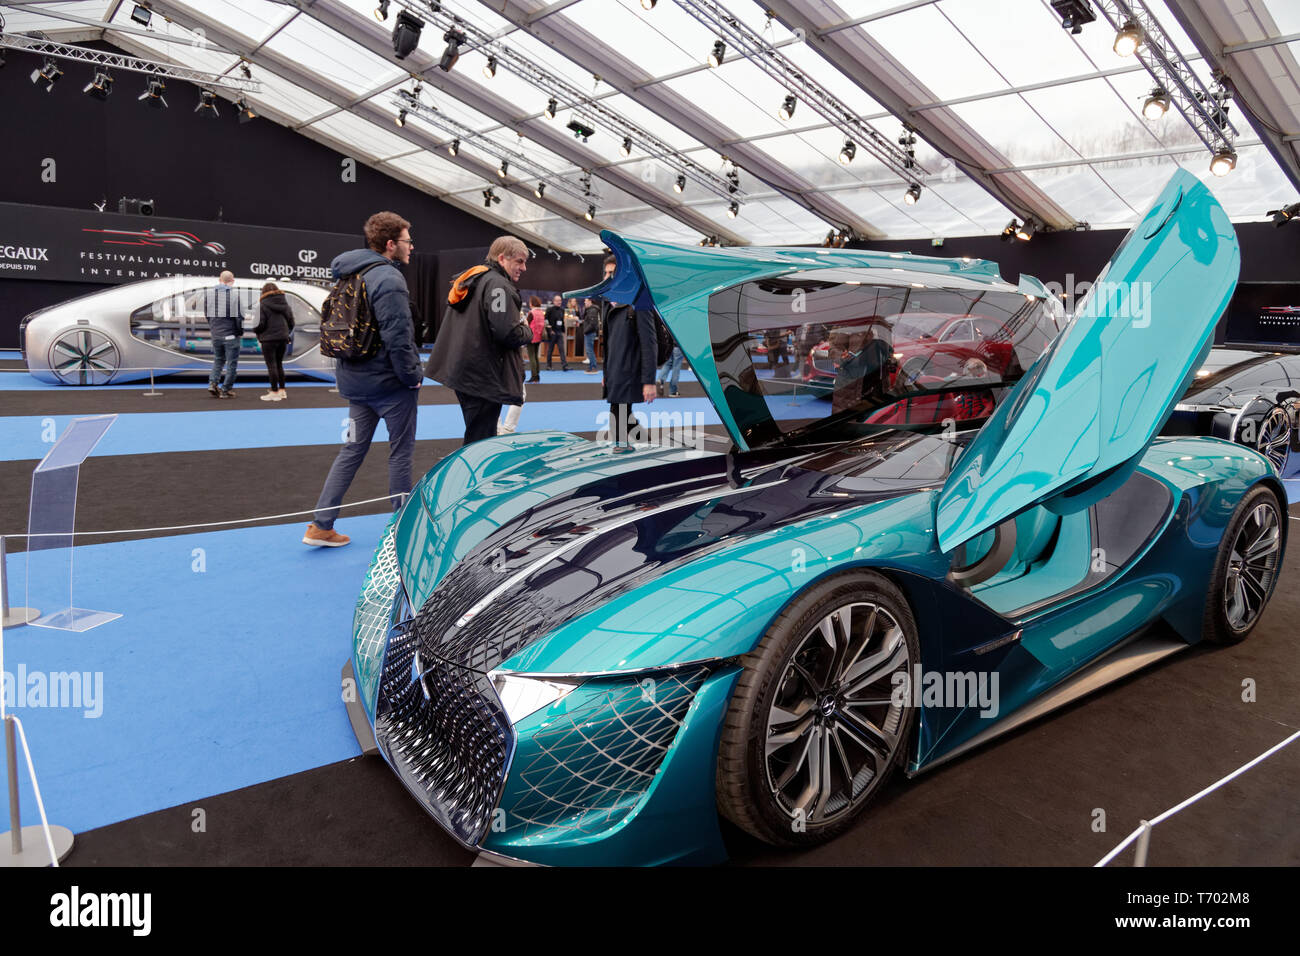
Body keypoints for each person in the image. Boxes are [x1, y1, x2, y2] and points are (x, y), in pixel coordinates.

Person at [303, 211, 423, 548]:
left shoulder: (347, 273)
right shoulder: (388, 278)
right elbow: (399, 338)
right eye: (406, 241)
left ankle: (320, 525)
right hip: (390, 385)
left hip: (355, 383)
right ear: (390, 244)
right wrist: (413, 377)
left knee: (351, 451)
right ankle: (404, 531)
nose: (411, 247)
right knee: (400, 453)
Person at [426, 235, 533, 444]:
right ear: (502, 258)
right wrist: (527, 331)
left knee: (479, 433)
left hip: (468, 372)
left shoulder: (476, 279)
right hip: (481, 376)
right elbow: (507, 332)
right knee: (480, 440)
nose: (524, 267)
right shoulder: (498, 285)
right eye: (519, 261)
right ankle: (475, 476)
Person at [600, 254, 657, 452]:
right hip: (615, 371)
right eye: (606, 272)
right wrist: (605, 374)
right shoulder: (608, 302)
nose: (608, 277)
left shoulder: (639, 300)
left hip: (630, 370)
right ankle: (648, 445)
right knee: (625, 415)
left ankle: (621, 449)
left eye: (612, 272)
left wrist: (649, 381)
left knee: (618, 413)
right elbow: (606, 343)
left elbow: (649, 342)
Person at [253, 281, 294, 402]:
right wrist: (285, 333)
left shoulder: (262, 305)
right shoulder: (286, 305)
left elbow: (259, 324)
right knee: (279, 364)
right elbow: (292, 323)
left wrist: (258, 332)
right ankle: (282, 391)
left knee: (271, 365)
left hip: (268, 339)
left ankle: (274, 391)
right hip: (283, 338)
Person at [205, 270, 244, 398]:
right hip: (230, 335)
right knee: (231, 363)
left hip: (215, 334)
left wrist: (214, 328)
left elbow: (207, 315)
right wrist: (239, 332)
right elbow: (239, 318)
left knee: (218, 360)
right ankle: (225, 390)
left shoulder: (209, 295)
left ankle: (212, 384)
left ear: (219, 279)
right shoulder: (234, 296)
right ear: (232, 281)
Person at [544, 293, 569, 371]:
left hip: (559, 332)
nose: (559, 302)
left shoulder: (562, 310)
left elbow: (562, 321)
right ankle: (549, 365)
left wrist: (563, 330)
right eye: (557, 301)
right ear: (554, 301)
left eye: (560, 300)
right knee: (550, 350)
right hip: (552, 332)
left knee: (562, 349)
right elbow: (546, 320)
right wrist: (550, 330)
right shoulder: (549, 309)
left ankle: (565, 366)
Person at [526, 295, 544, 383]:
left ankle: (534, 375)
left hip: (531, 336)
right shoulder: (541, 312)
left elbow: (527, 323)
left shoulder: (531, 312)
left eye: (530, 302)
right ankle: (537, 375)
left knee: (531, 357)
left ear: (532, 303)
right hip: (539, 336)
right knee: (536, 356)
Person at [581, 296, 601, 373]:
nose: (584, 302)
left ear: (590, 301)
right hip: (589, 332)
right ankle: (592, 367)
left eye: (585, 301)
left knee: (590, 351)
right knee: (590, 351)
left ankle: (593, 367)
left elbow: (593, 324)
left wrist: (585, 331)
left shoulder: (592, 310)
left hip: (590, 333)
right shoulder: (590, 310)